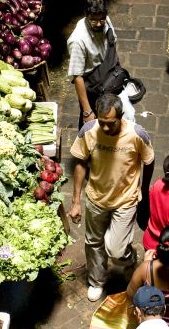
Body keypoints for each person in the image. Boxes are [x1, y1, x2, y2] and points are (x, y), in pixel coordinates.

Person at [69, 93, 156, 301]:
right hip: (96, 197)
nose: (106, 128)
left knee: (115, 248)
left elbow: (149, 161)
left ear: (121, 116)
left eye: (111, 123)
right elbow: (80, 162)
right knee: (93, 242)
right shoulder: (88, 131)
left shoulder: (137, 134)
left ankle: (129, 258)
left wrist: (143, 190)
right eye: (102, 122)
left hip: (125, 200)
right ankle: (97, 281)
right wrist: (75, 201)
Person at [67, 0, 120, 127]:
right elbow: (78, 77)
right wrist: (87, 111)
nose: (98, 24)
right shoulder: (78, 41)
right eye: (93, 20)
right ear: (86, 15)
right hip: (93, 88)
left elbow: (111, 42)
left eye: (101, 19)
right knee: (90, 126)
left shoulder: (105, 19)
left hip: (110, 78)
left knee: (108, 117)